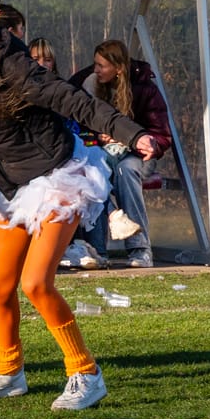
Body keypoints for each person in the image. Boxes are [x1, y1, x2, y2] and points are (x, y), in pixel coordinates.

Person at [0, 0, 160, 412]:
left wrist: (132, 132)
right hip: (17, 185)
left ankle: (86, 374)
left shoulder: (9, 65)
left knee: (35, 283)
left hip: (60, 175)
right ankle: (10, 372)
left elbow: (74, 101)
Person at [68, 39, 176, 268]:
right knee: (94, 172)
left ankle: (140, 250)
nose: (96, 70)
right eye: (95, 64)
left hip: (137, 156)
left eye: (101, 65)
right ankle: (98, 250)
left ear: (118, 68)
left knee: (125, 171)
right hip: (101, 153)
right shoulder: (88, 84)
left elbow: (161, 135)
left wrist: (134, 140)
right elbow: (78, 125)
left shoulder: (145, 89)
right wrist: (98, 137)